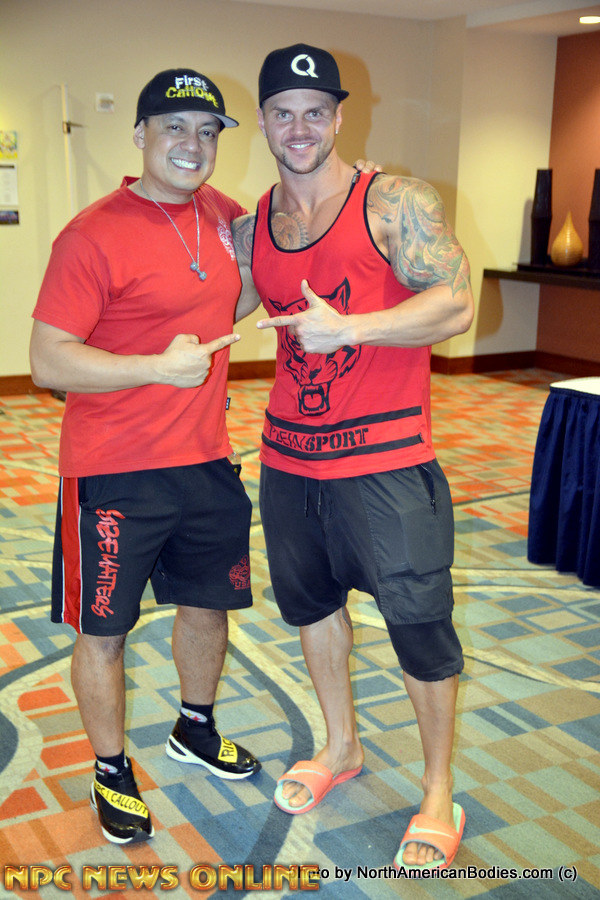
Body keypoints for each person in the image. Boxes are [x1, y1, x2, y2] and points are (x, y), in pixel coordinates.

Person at [232, 43, 474, 871]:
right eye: (282, 113)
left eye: (315, 113)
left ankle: (438, 788)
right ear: (263, 121)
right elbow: (209, 305)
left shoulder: (393, 202)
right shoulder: (252, 225)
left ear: (339, 118)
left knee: (419, 627)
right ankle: (340, 745)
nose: (298, 128)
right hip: (289, 461)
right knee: (312, 610)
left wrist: (354, 328)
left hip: (387, 462)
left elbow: (456, 302)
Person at [29, 68, 261, 846]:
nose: (193, 144)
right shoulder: (91, 234)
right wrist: (155, 368)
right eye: (175, 127)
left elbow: (237, 294)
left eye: (208, 131)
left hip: (206, 459)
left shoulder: (221, 214)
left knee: (207, 605)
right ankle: (109, 768)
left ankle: (195, 726)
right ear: (140, 136)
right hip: (114, 468)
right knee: (105, 630)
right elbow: (48, 361)